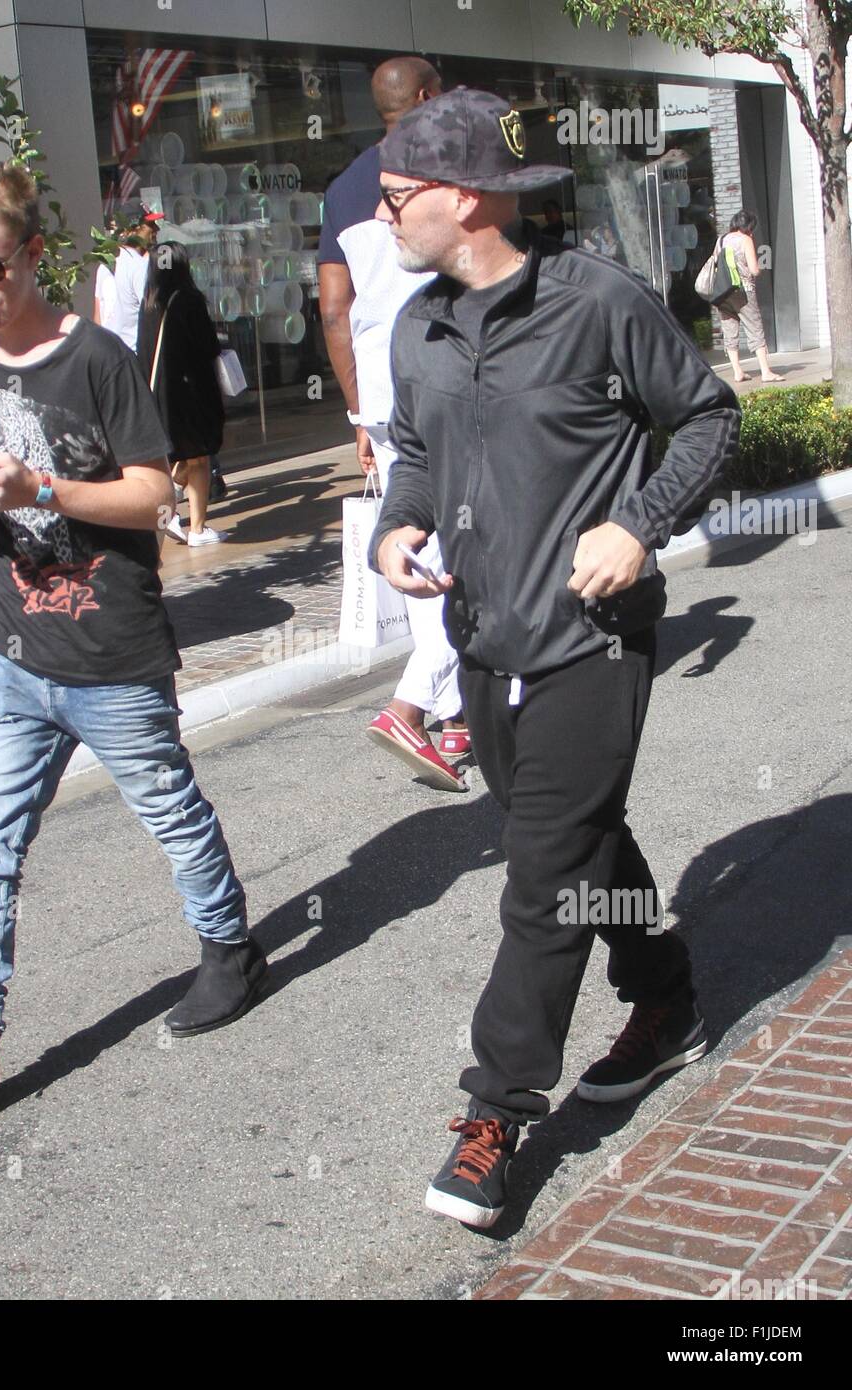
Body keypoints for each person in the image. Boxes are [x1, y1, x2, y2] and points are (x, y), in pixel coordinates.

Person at [370, 88, 741, 1229]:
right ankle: (665, 995)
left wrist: (639, 524)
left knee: (540, 879)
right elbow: (418, 456)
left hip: (593, 642)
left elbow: (709, 417)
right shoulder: (415, 325)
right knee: (579, 838)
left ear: (464, 196)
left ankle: (496, 1112)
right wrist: (397, 525)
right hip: (483, 638)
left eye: (395, 196)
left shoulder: (596, 304)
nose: (381, 214)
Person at [0, 165, 265, 1119]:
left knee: (170, 812)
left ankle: (229, 949)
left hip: (112, 648)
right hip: (11, 647)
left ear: (33, 254)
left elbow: (153, 494)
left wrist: (39, 489)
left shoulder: (98, 361)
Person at [318, 55, 469, 794]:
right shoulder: (442, 170)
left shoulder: (346, 187)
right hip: (444, 377)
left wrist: (355, 410)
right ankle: (415, 706)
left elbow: (332, 310)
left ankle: (452, 708)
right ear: (429, 98)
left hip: (380, 393)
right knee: (461, 548)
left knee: (410, 551)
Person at [136, 242, 227, 549]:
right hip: (190, 393)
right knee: (199, 458)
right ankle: (198, 529)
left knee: (182, 456)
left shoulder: (149, 303)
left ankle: (173, 500)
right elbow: (206, 348)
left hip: (159, 394)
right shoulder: (188, 299)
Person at [715, 209, 783, 384]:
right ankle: (766, 371)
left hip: (722, 293)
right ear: (748, 227)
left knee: (730, 330)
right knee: (755, 328)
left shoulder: (721, 240)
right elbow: (753, 269)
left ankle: (737, 371)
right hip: (743, 291)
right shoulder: (745, 240)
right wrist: (759, 269)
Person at [93, 204, 164, 353]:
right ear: (132, 230)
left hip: (109, 357)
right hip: (133, 356)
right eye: (150, 224)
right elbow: (152, 316)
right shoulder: (139, 266)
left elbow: (97, 318)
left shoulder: (106, 264)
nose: (156, 229)